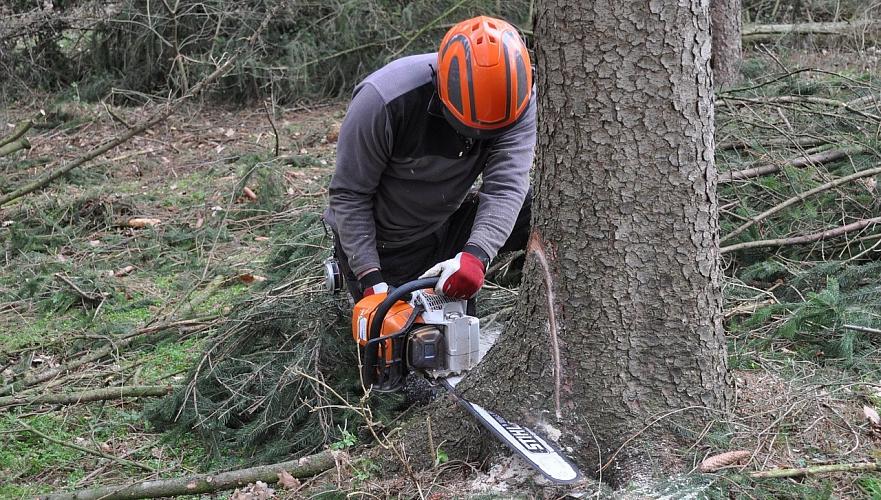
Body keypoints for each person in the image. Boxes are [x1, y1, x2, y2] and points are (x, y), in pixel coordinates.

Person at [324, 15, 535, 303]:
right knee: (410, 338)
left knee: (539, 208)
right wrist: (370, 277)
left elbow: (506, 185)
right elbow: (350, 194)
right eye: (468, 129)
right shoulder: (384, 101)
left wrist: (477, 255)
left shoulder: (518, 97)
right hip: (388, 241)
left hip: (449, 216)